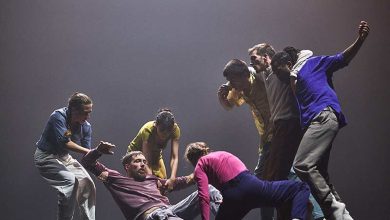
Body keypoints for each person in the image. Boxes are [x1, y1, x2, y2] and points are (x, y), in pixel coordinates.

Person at [271, 21, 370, 220]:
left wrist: (360, 39)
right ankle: (344, 217)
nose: (276, 75)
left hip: (323, 115)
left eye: (277, 70)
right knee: (321, 173)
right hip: (314, 122)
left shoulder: (313, 63)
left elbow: (342, 59)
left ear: (288, 64)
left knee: (302, 165)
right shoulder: (294, 79)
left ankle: (333, 211)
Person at [81, 144, 222, 220]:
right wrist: (98, 151)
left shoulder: (154, 181)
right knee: (163, 216)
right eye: (137, 161)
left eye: (144, 161)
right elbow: (88, 162)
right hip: (153, 216)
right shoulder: (116, 180)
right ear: (127, 167)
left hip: (171, 211)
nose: (142, 164)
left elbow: (188, 180)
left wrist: (205, 164)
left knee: (209, 190)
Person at [34, 92, 113, 220]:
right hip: (45, 157)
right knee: (70, 181)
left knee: (87, 183)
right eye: (85, 112)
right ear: (73, 109)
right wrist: (90, 151)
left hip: (64, 158)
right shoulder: (58, 116)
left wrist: (98, 151)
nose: (88, 116)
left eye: (90, 112)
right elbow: (65, 143)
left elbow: (86, 155)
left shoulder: (86, 126)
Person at [184, 142, 310, 220]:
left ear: (193, 160)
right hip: (252, 186)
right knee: (300, 188)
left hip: (232, 197)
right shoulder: (221, 154)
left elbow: (204, 196)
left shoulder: (201, 164)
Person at [218, 59, 272, 178]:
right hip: (264, 131)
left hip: (277, 125)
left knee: (261, 172)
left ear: (244, 75)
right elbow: (229, 106)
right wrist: (221, 98)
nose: (231, 84)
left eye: (233, 80)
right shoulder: (235, 86)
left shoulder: (259, 76)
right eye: (229, 81)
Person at [127, 108, 180, 191]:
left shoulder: (175, 130)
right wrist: (153, 179)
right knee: (146, 183)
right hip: (136, 156)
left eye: (167, 132)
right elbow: (146, 160)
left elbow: (174, 157)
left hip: (156, 154)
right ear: (156, 125)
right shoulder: (147, 130)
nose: (164, 135)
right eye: (162, 131)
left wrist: (173, 178)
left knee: (163, 184)